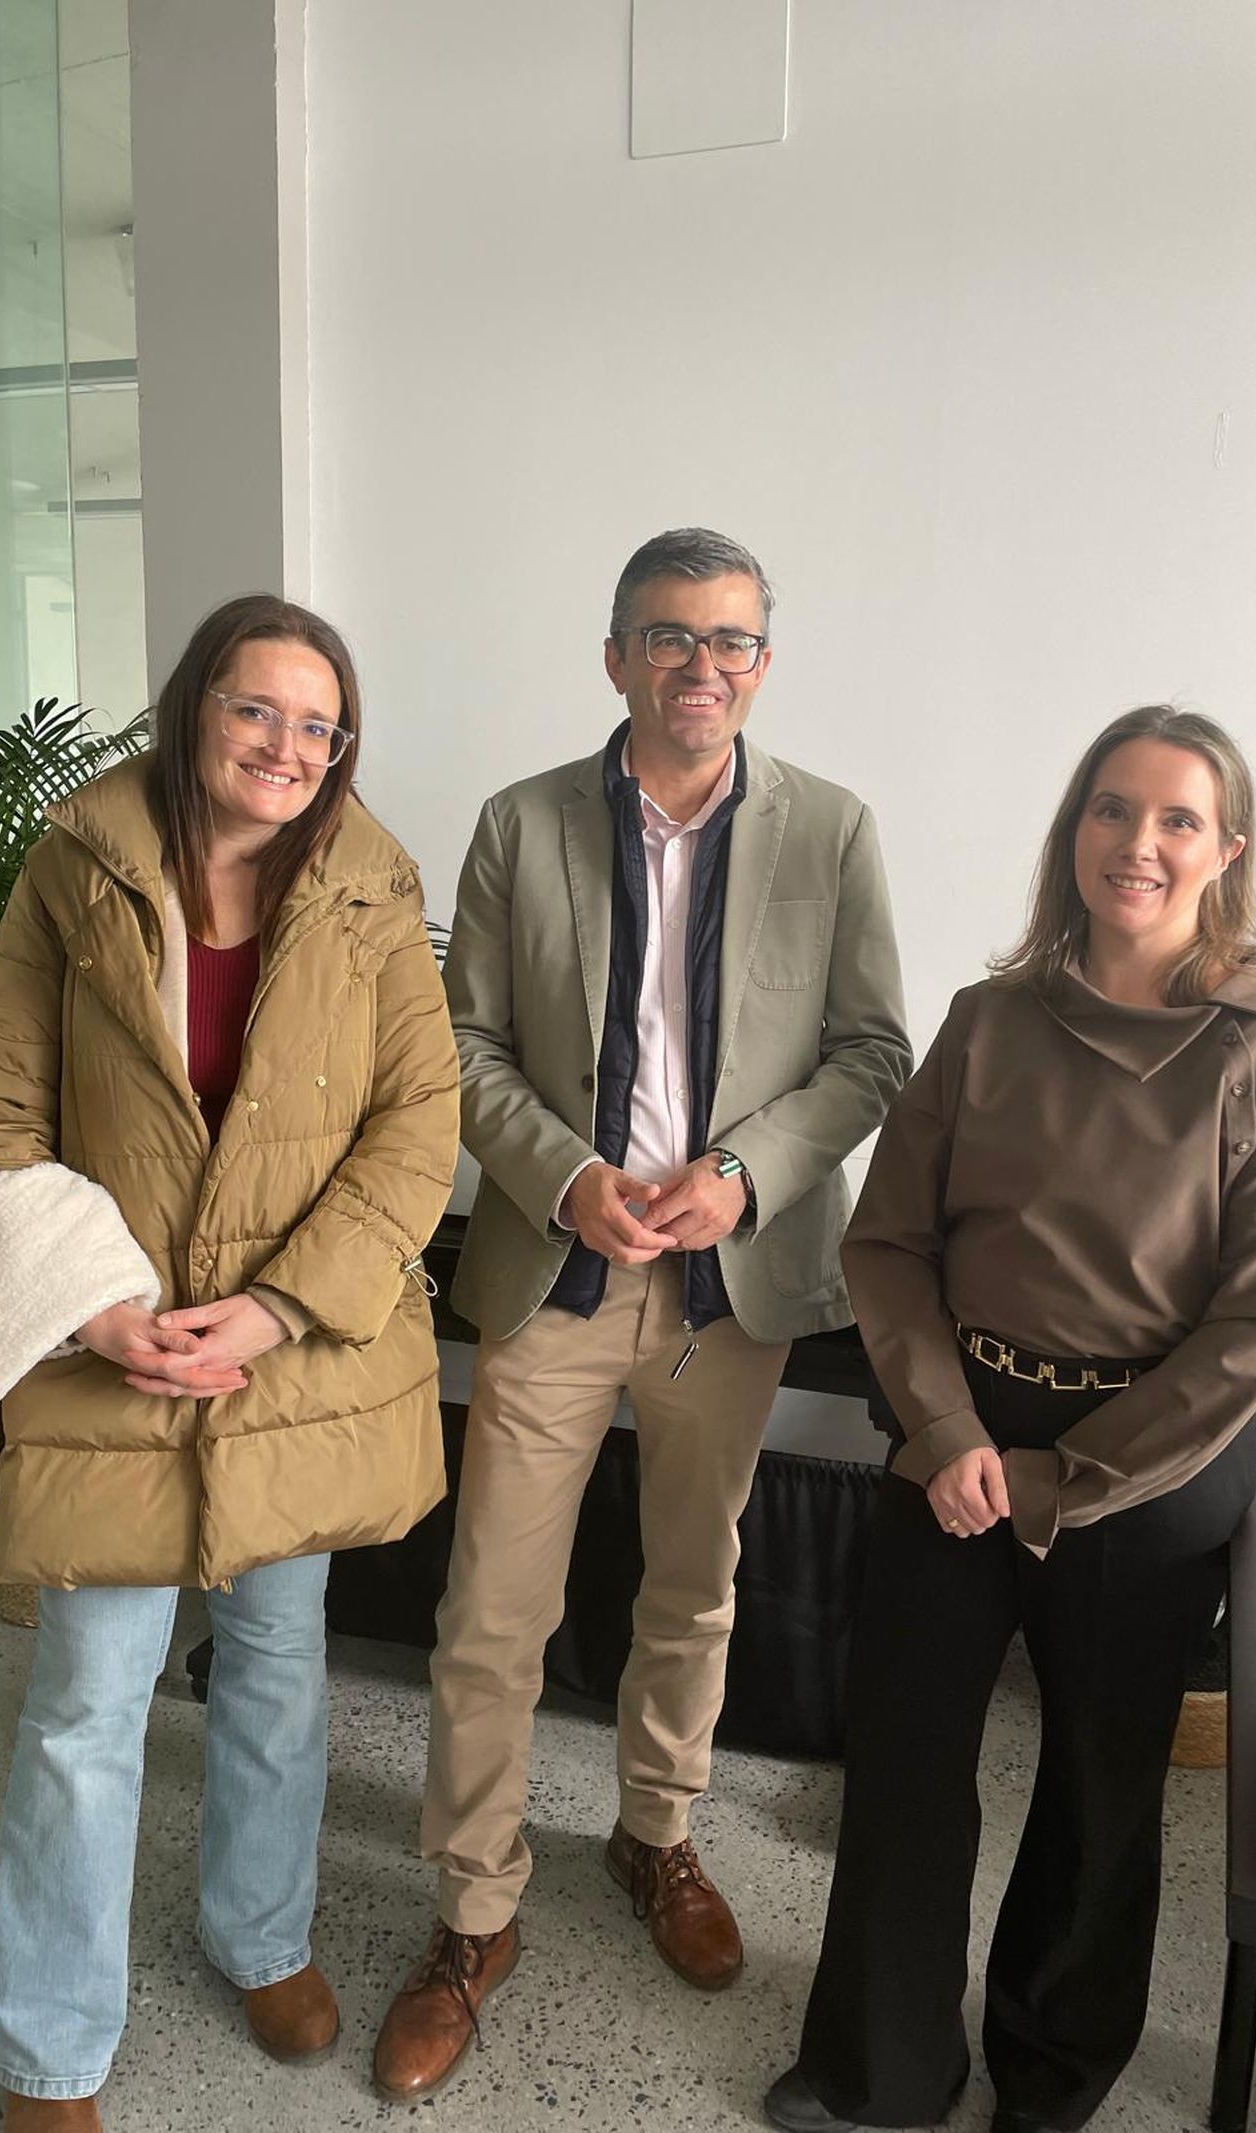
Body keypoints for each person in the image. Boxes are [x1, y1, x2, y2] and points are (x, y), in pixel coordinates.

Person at [372, 527, 912, 2101]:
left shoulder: (833, 828)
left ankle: (656, 1831)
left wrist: (746, 1173)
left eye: (731, 640)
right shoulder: (521, 823)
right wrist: (562, 1173)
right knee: (493, 1606)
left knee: (694, 1581)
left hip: (726, 1288)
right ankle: (474, 1910)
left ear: (764, 663)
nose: (701, 666)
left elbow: (873, 1051)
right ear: (615, 656)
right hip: (560, 1270)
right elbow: (464, 1043)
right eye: (669, 636)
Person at [765, 706, 1256, 2133]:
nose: (1137, 843)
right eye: (1110, 808)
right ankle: (881, 2066)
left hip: (1151, 1463)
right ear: (1072, 830)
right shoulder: (991, 1022)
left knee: (1100, 1786)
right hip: (955, 1432)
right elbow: (888, 1243)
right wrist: (947, 1432)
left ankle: (1050, 2074)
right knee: (904, 1760)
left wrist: (1068, 1476)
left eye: (1175, 819)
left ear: (1227, 850)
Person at [0, 594, 460, 2132]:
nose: (288, 746)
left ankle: (261, 1937)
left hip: (290, 1356)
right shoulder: (78, 866)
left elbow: (417, 1124)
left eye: (320, 725)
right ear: (194, 705)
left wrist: (283, 1306)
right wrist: (92, 1303)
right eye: (257, 708)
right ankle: (49, 2046)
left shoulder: (373, 886)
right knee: (88, 1705)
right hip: (115, 1347)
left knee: (279, 1671)